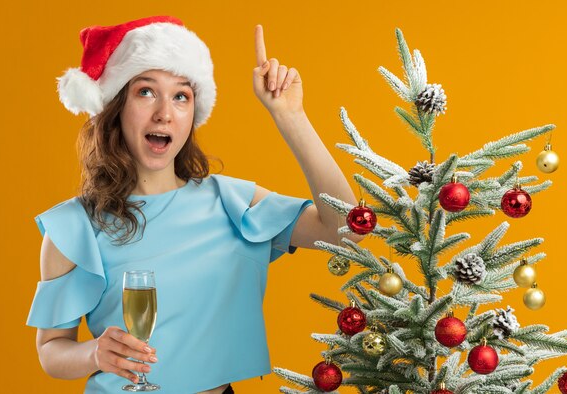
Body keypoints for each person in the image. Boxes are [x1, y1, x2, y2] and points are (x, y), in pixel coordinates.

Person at [26, 16, 362, 394]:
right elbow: (52, 350)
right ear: (115, 106)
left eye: (181, 95)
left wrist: (290, 116)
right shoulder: (74, 227)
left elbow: (348, 229)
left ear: (192, 114)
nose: (164, 113)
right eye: (146, 92)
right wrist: (95, 354)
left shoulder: (232, 203)